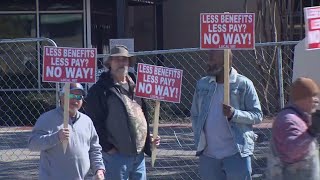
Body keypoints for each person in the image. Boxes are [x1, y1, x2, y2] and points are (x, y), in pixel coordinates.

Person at [83, 45, 160, 180]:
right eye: (117, 59)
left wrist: (148, 138)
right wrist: (107, 147)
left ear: (129, 62)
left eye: (124, 59)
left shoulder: (138, 86)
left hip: (139, 155)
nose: (121, 62)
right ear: (109, 63)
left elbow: (140, 115)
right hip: (115, 156)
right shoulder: (100, 90)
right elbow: (93, 121)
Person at [191, 50, 263, 180]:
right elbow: (195, 114)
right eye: (209, 58)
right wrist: (199, 138)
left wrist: (234, 114)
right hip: (208, 155)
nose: (209, 62)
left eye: (213, 59)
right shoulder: (202, 84)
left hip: (237, 153)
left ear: (226, 62)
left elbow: (257, 115)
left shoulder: (244, 84)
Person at [28, 83, 105, 180]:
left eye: (79, 96)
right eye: (71, 95)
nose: (75, 99)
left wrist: (99, 169)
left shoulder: (87, 121)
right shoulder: (47, 119)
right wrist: (56, 137)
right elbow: (33, 144)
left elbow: (94, 149)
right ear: (61, 97)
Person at [267, 77, 320, 180]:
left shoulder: (299, 117)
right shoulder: (288, 120)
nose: (316, 100)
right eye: (313, 96)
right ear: (302, 98)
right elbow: (291, 151)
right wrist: (311, 132)